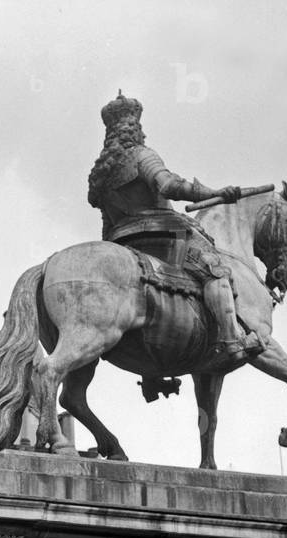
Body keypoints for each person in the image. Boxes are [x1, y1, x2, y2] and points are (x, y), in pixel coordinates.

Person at [87, 92, 263, 359]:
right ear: (134, 126)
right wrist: (214, 192)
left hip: (123, 243)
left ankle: (152, 372)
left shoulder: (101, 174)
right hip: (163, 236)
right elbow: (169, 185)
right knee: (216, 270)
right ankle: (231, 339)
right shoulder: (142, 155)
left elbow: (106, 224)